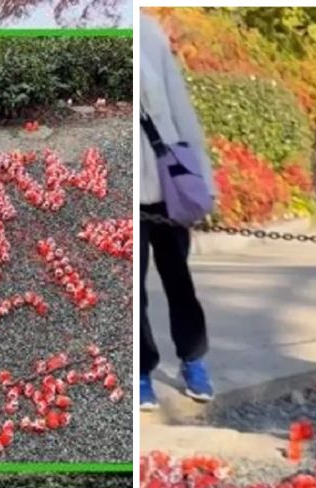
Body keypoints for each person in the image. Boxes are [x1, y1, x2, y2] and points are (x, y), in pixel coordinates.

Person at [139, 11, 217, 407]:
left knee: (179, 280)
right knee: (133, 290)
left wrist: (205, 181)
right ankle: (141, 369)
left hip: (167, 183)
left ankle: (193, 358)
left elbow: (181, 109)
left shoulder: (147, 32)